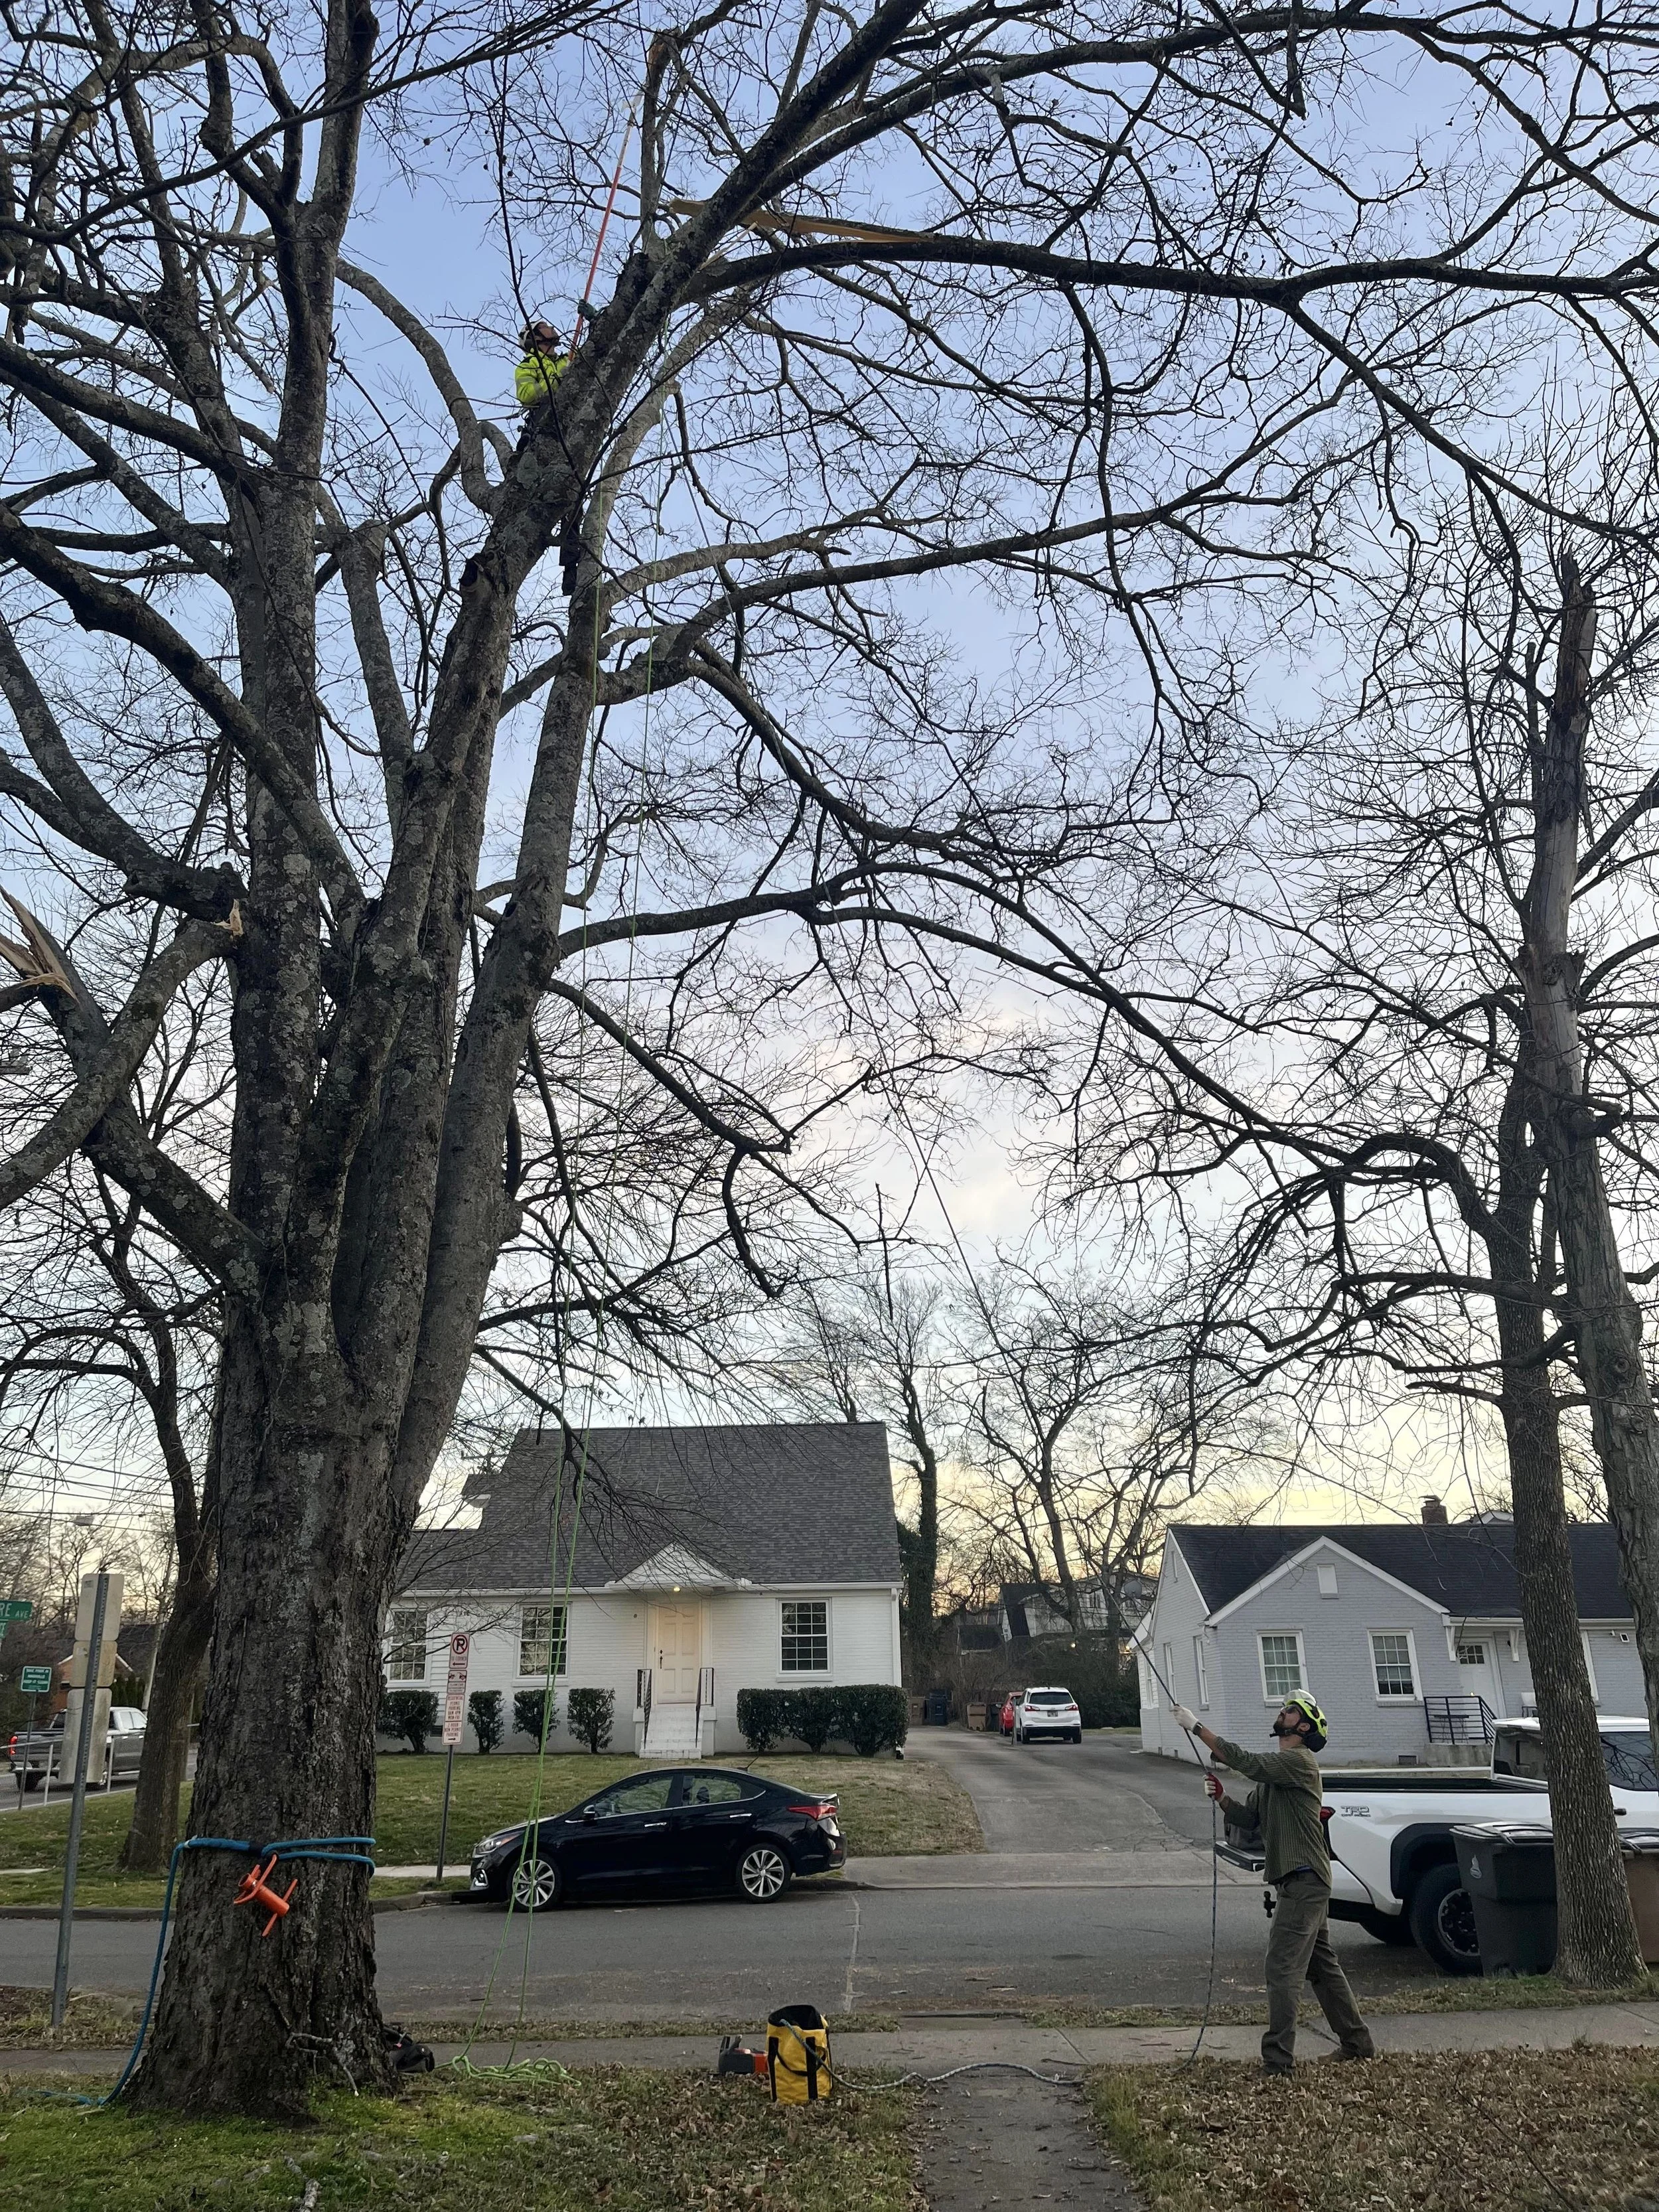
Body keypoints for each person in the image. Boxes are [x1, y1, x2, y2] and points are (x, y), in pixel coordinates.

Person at [1170, 1690, 1375, 2074]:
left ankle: (1278, 2062)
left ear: (1303, 1726)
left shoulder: (1299, 1762)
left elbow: (1246, 1761)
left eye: (1290, 1711)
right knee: (1322, 1968)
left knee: (1281, 1968)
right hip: (1298, 1882)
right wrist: (1222, 1800)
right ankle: (1357, 2044)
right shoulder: (1276, 1776)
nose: (1282, 1713)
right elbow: (1251, 1821)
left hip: (1305, 1880)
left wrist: (1197, 1727)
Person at [515, 319, 569, 411]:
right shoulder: (528, 364)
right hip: (551, 417)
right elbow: (526, 395)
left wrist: (593, 318)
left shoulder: (567, 359)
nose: (552, 327)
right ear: (535, 337)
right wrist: (557, 381)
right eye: (544, 327)